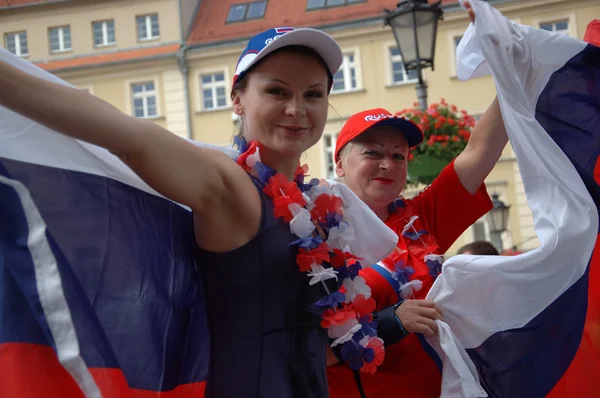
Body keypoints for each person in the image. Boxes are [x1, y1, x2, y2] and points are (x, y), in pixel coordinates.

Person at [0, 26, 395, 398]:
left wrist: (386, 325)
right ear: (237, 99)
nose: (296, 109)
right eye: (277, 91)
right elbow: (131, 139)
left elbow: (310, 345)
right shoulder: (231, 185)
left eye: (313, 94)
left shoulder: (316, 208)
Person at [326, 6, 507, 394]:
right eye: (372, 153)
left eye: (398, 155)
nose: (387, 164)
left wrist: (514, 76)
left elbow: (480, 151)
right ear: (339, 164)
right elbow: (299, 339)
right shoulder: (312, 231)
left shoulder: (422, 216)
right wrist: (392, 321)